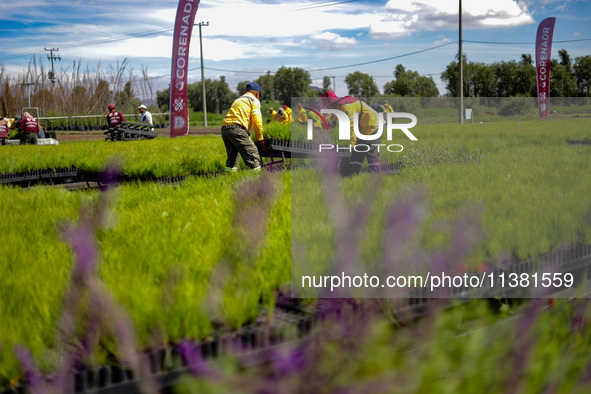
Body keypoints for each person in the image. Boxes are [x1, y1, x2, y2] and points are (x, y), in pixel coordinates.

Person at [321, 91, 381, 175]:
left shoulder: (346, 107)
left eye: (327, 106)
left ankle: (376, 177)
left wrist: (352, 145)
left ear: (332, 103)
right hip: (363, 128)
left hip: (372, 125)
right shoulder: (339, 107)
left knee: (371, 153)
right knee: (357, 154)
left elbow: (351, 126)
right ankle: (352, 176)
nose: (327, 109)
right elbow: (337, 119)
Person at [220, 82, 265, 172]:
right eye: (259, 95)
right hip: (237, 129)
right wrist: (260, 140)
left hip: (225, 129)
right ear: (257, 93)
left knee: (232, 157)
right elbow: (257, 122)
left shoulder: (238, 100)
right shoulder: (254, 100)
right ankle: (258, 180)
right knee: (253, 153)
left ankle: (229, 177)